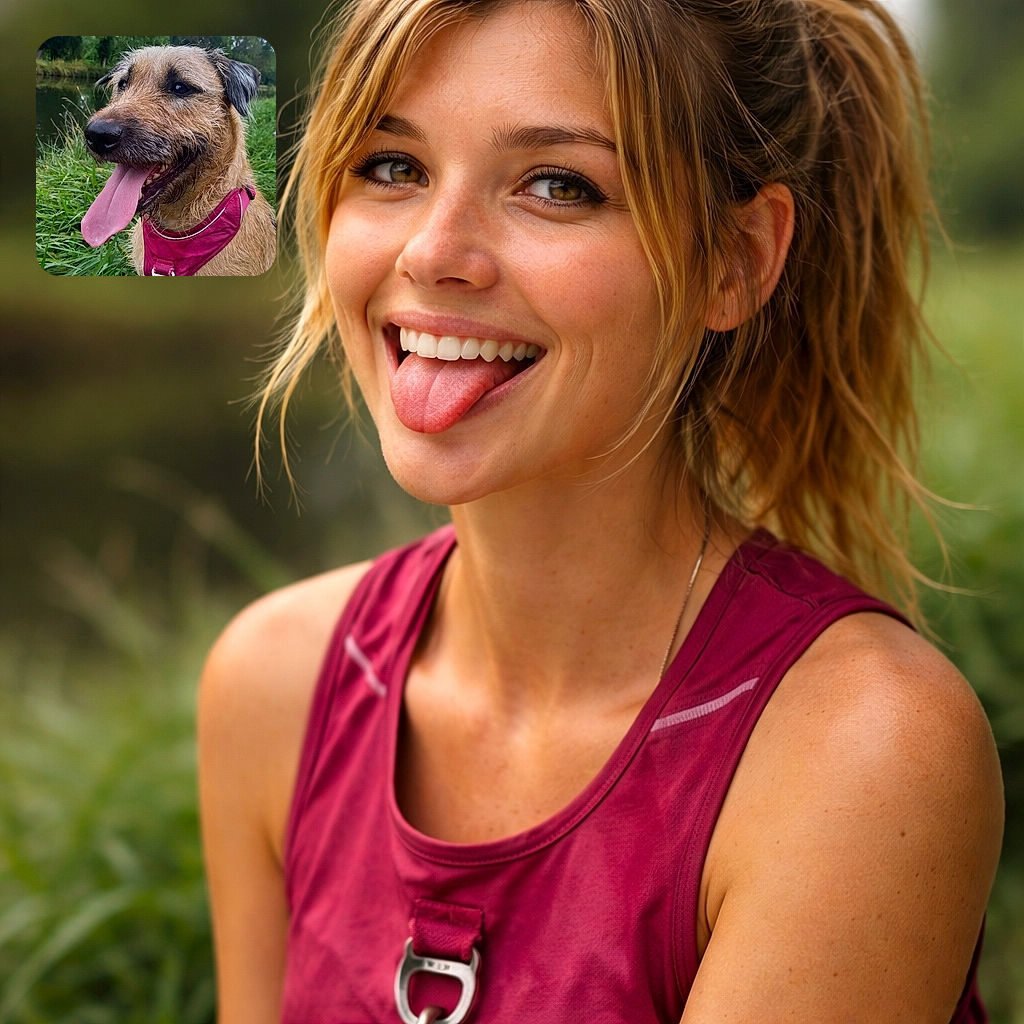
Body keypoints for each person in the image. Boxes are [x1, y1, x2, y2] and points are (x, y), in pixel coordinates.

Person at [197, 0, 1005, 1021]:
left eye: (556, 185)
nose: (434, 252)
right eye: (391, 166)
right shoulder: (276, 682)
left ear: (735, 259)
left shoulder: (860, 751)